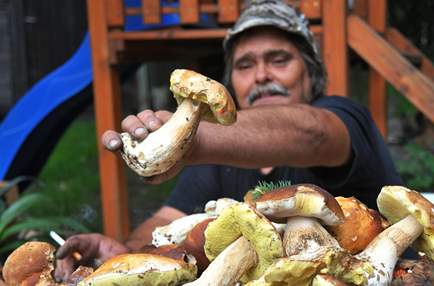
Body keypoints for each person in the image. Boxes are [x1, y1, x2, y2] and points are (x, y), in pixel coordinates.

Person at [54, 0, 402, 280]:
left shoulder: (344, 117)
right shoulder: (223, 155)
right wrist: (130, 252)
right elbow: (166, 219)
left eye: (279, 60)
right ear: (230, 83)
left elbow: (313, 133)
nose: (262, 75)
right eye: (245, 65)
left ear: (311, 74)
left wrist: (193, 138)